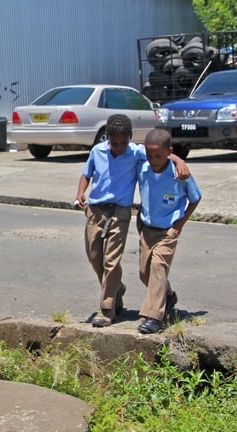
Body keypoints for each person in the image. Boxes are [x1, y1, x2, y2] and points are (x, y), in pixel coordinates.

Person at [75, 114, 189, 327]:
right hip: (96, 210)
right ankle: (116, 288)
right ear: (107, 137)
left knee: (111, 260)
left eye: (123, 142)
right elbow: (86, 174)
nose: (119, 147)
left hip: (120, 212)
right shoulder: (97, 152)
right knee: (94, 257)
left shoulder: (136, 153)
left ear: (130, 137)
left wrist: (178, 160)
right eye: (114, 142)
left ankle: (107, 309)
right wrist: (80, 192)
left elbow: (161, 154)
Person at [135, 128, 202, 334]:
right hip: (147, 228)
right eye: (150, 155)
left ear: (168, 151)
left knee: (157, 268)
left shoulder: (179, 174)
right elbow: (133, 150)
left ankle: (154, 317)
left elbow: (195, 198)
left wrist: (178, 226)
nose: (153, 159)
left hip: (168, 231)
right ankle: (168, 295)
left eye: (158, 155)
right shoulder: (142, 166)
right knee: (145, 273)